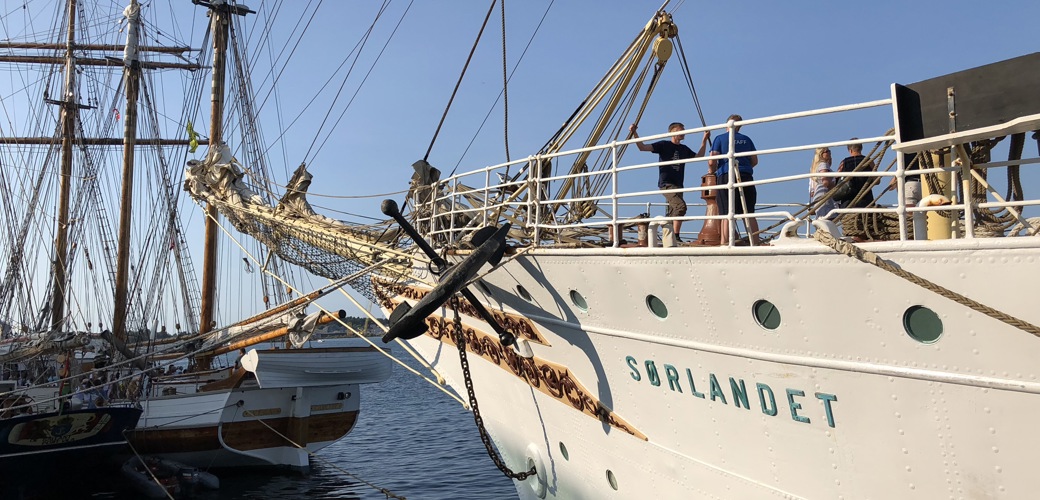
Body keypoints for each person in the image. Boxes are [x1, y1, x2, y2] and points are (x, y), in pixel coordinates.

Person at [630, 122, 710, 240]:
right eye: (680, 130)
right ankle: (675, 236)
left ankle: (669, 237)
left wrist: (704, 139)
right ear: (672, 132)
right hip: (667, 184)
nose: (684, 132)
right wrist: (634, 133)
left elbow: (699, 157)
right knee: (680, 207)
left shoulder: (684, 149)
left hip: (678, 184)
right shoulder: (664, 145)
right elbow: (642, 147)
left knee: (674, 211)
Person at [708, 114, 759, 245]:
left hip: (726, 175)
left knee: (726, 211)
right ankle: (755, 241)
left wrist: (711, 171)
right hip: (746, 175)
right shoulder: (747, 139)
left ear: (727, 124)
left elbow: (711, 161)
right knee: (748, 211)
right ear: (739, 126)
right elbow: (754, 160)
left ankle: (725, 242)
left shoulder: (719, 138)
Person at [837, 139, 876, 208]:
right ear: (861, 148)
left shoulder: (844, 162)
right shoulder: (869, 161)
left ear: (850, 150)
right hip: (866, 202)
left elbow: (837, 182)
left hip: (848, 203)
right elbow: (877, 181)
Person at [809, 147, 837, 219]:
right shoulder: (823, 165)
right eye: (827, 151)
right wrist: (837, 187)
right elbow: (825, 182)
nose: (829, 152)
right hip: (825, 199)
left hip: (820, 198)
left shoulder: (818, 165)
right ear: (821, 154)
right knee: (827, 223)